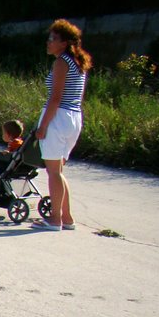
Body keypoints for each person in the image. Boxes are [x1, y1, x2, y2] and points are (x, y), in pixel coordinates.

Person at [30, 19, 92, 230]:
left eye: (53, 39)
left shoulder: (61, 63)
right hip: (74, 118)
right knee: (59, 171)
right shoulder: (78, 63)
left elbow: (55, 98)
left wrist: (43, 126)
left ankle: (55, 218)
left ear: (64, 43)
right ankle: (67, 217)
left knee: (53, 172)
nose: (48, 42)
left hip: (59, 118)